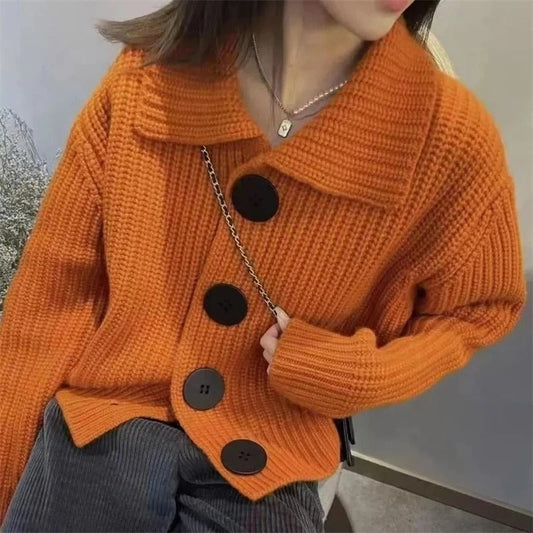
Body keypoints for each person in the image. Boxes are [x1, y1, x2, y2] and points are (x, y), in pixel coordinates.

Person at [0, 0, 526, 531]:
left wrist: (364, 374)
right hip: (103, 424)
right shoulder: (146, 79)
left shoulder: (449, 140)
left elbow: (478, 308)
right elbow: (51, 302)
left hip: (272, 454)